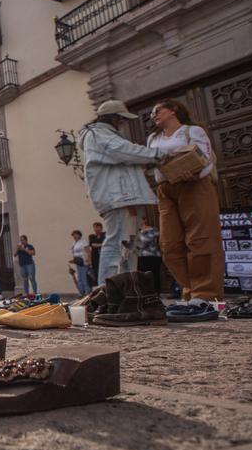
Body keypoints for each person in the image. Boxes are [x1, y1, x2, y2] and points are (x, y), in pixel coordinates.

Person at [147, 99, 224, 315]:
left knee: (200, 238)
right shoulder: (153, 138)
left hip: (194, 184)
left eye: (157, 110)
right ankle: (189, 290)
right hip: (165, 187)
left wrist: (193, 172)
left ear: (174, 110)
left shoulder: (192, 131)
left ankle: (205, 295)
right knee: (169, 244)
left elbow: (206, 158)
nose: (154, 115)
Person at [79, 100, 165, 283]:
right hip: (118, 198)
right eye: (121, 119)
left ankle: (125, 289)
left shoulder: (104, 134)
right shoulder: (98, 134)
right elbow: (121, 150)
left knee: (130, 245)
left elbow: (123, 159)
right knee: (118, 242)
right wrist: (156, 154)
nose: (123, 123)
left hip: (125, 198)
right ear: (114, 118)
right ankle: (109, 292)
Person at [137, 217, 163, 295]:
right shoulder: (138, 231)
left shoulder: (152, 230)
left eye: (140, 219)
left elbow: (143, 242)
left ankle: (156, 294)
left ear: (144, 220)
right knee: (142, 277)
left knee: (154, 275)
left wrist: (136, 237)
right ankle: (145, 294)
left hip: (153, 257)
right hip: (141, 257)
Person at [69, 230, 92, 296]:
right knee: (79, 277)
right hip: (77, 262)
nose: (74, 236)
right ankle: (81, 292)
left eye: (76, 234)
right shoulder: (74, 243)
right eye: (73, 235)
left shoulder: (83, 242)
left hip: (83, 261)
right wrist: (73, 260)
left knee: (85, 277)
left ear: (79, 235)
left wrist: (90, 261)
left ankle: (88, 292)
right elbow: (74, 252)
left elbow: (88, 251)